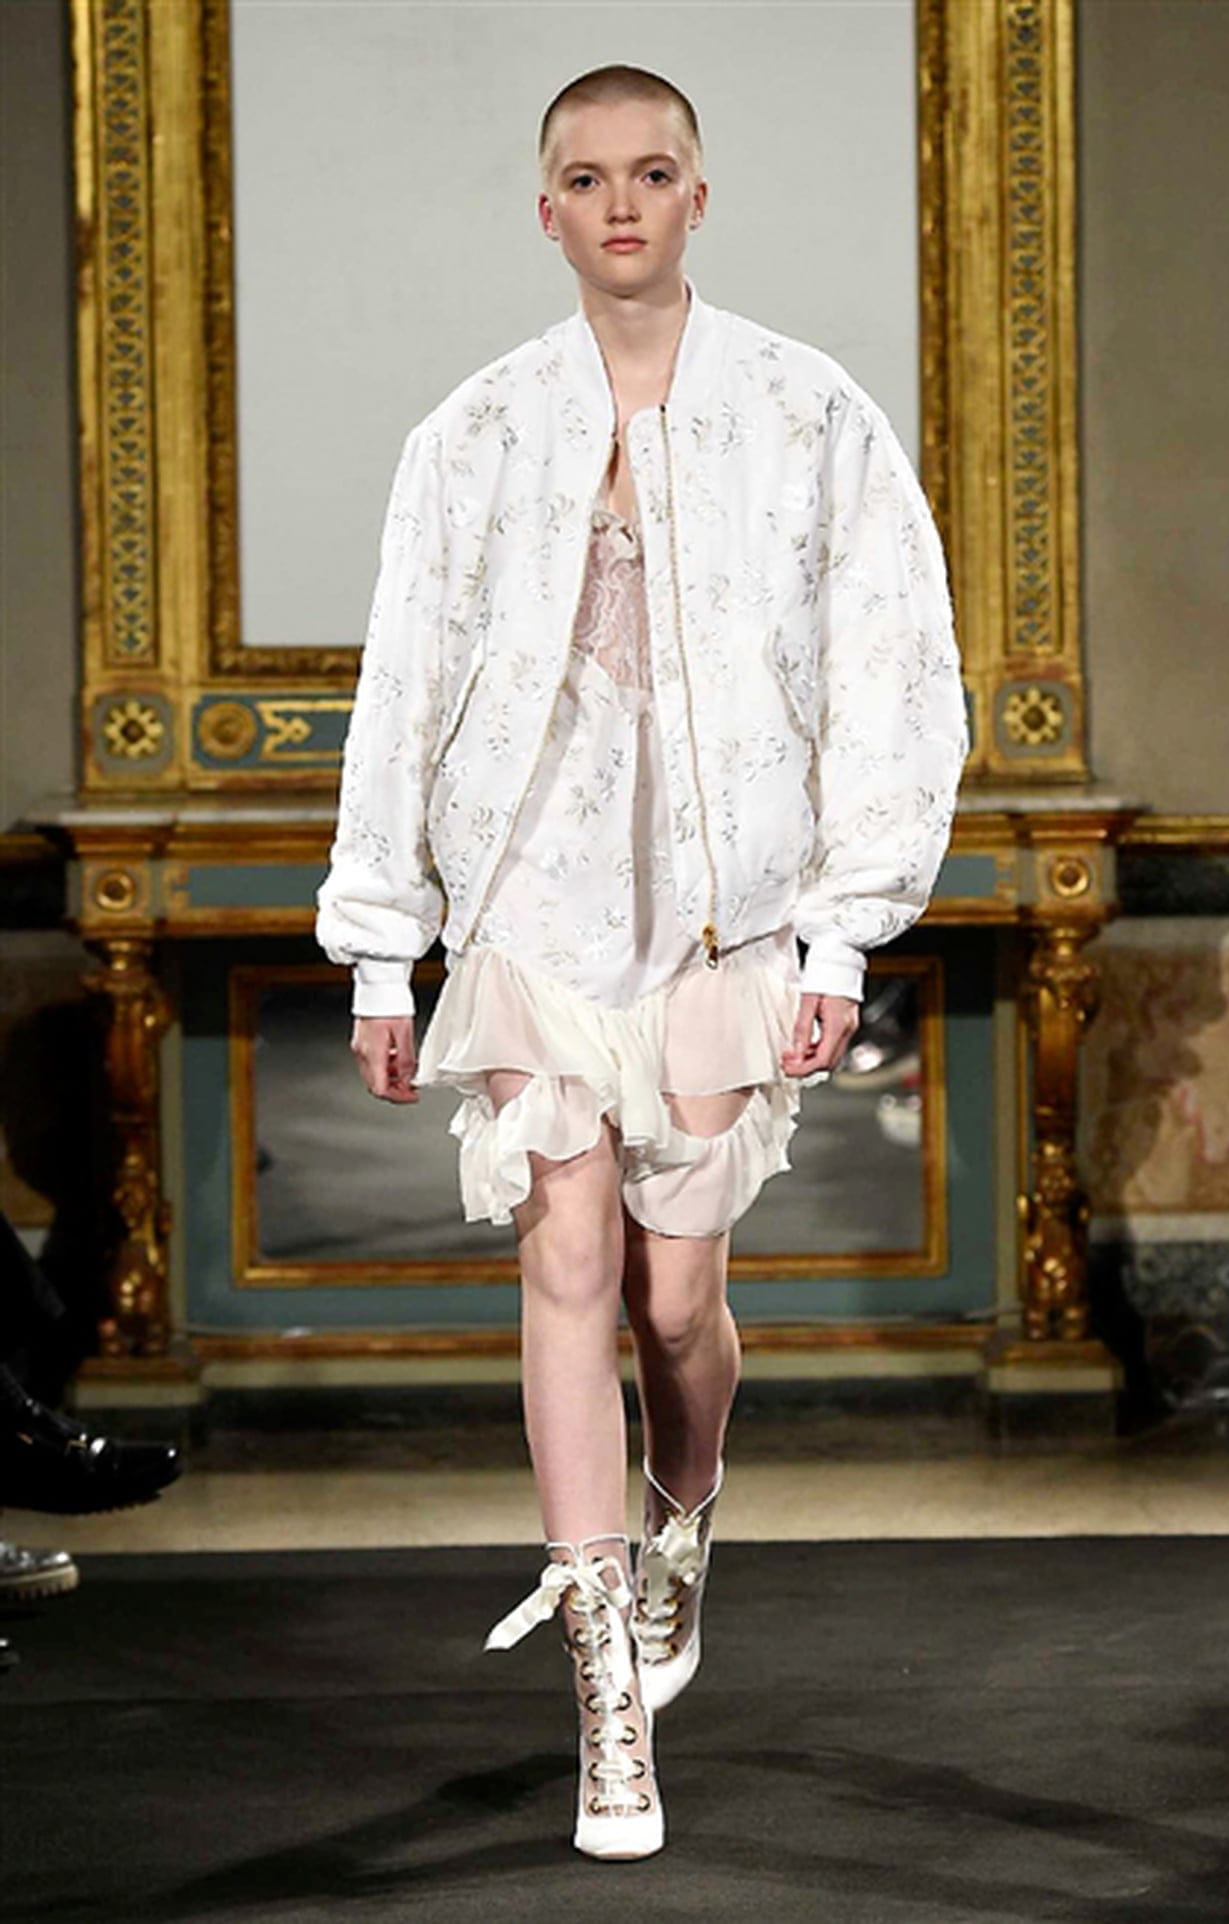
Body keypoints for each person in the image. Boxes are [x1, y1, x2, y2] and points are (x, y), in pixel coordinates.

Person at [316, 65, 968, 1859]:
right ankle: (605, 1695)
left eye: (653, 172)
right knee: (567, 1262)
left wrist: (842, 928)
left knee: (678, 1306)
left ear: (698, 195)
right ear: (548, 210)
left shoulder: (807, 414)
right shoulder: (473, 435)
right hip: (531, 905)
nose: (622, 204)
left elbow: (894, 665)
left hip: (717, 913)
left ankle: (684, 1519)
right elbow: (403, 688)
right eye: (589, 178)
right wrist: (381, 949)